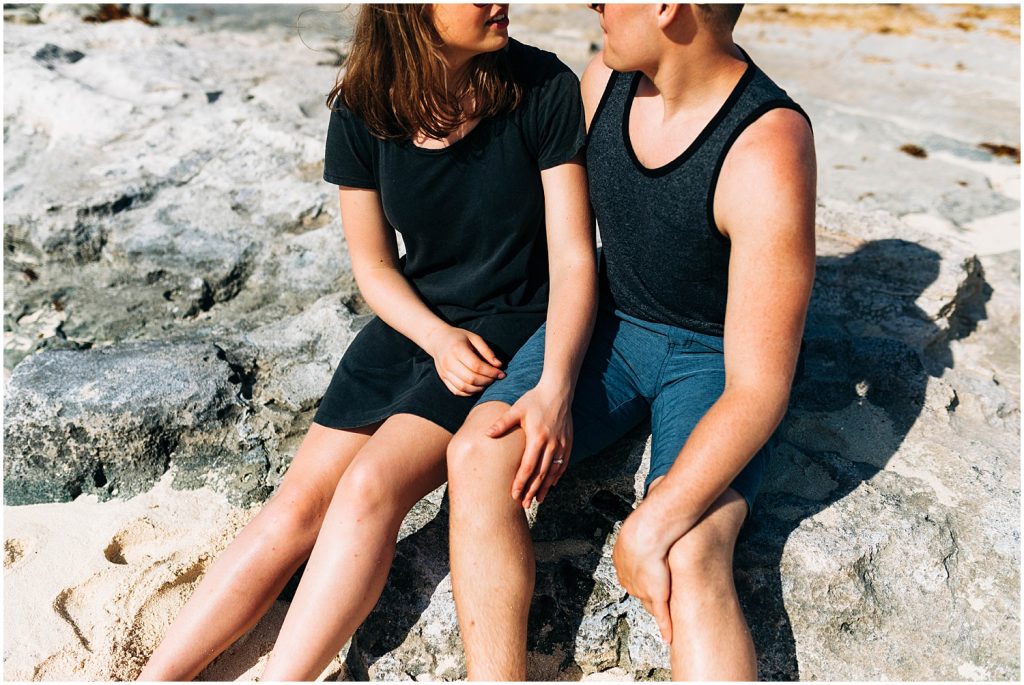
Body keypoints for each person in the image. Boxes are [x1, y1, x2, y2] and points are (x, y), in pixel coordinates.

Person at [138, 3, 596, 680]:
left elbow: (573, 256)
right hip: (416, 323)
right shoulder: (362, 104)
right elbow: (375, 265)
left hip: (508, 327)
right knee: (295, 506)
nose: (501, 0)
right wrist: (434, 335)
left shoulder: (542, 85)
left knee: (369, 485)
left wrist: (550, 377)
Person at [446, 3, 816, 680]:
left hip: (716, 362)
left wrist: (652, 519)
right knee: (477, 453)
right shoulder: (602, 83)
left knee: (690, 550)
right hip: (611, 331)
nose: (591, 4)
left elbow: (760, 385)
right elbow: (571, 256)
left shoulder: (767, 144)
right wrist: (553, 386)